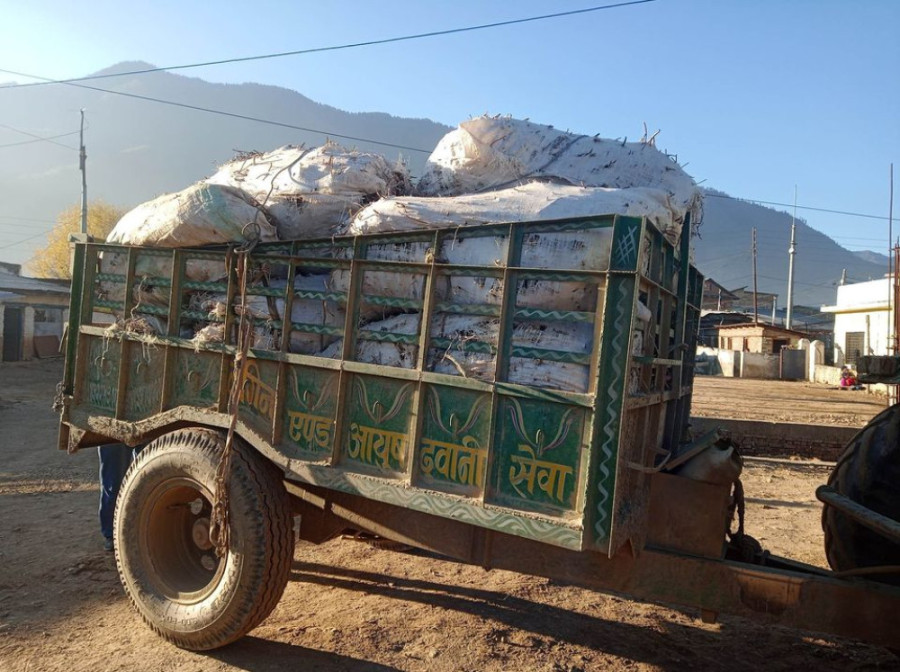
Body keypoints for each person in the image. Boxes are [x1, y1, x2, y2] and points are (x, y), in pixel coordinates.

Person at [98, 443, 141, 551]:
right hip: (112, 431)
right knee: (114, 484)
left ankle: (147, 527)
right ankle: (112, 534)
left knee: (149, 476)